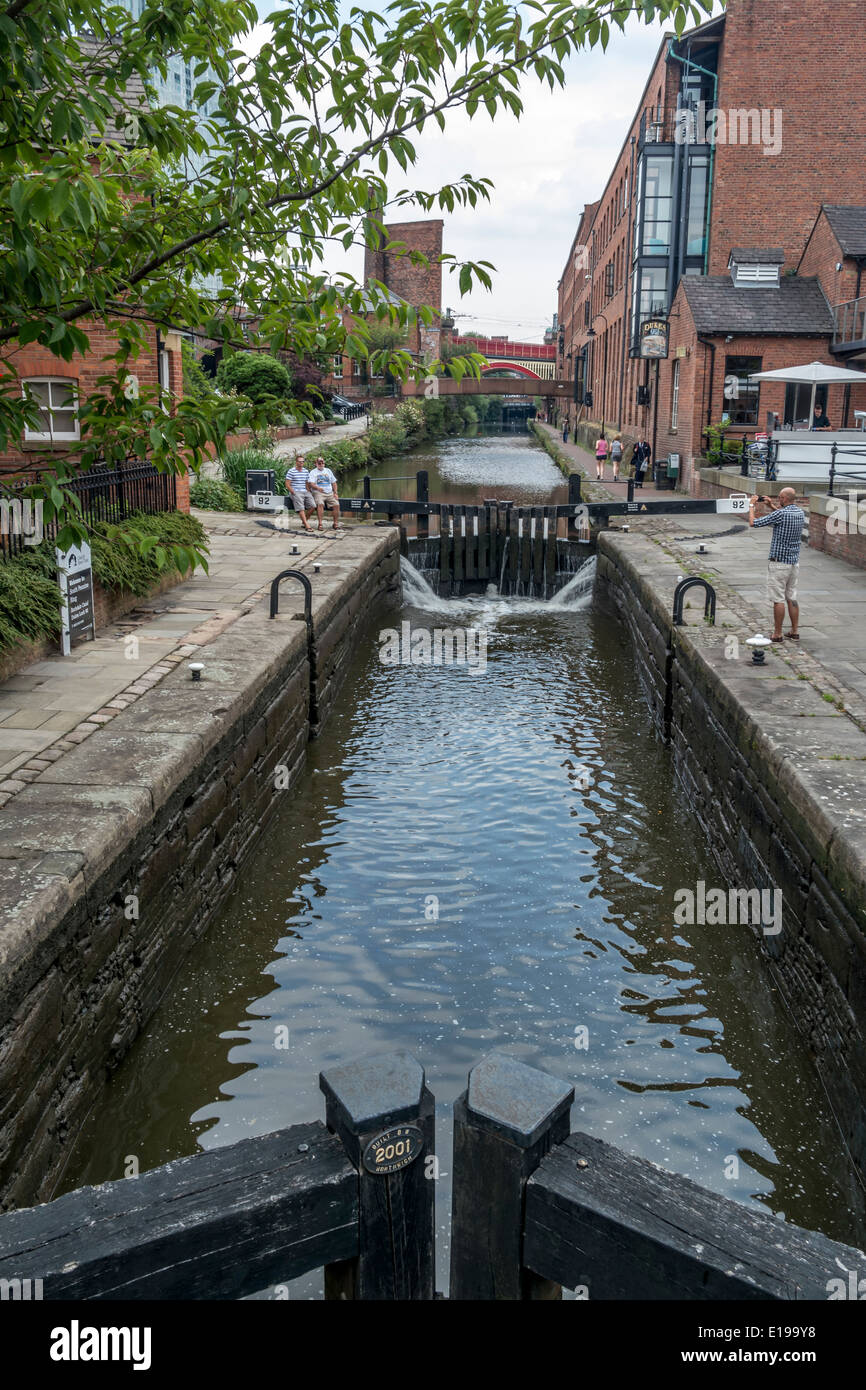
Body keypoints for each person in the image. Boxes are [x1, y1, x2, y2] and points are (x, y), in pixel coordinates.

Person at [749, 487, 806, 642]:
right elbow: (780, 516)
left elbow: (753, 523)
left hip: (779, 563)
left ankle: (777, 633)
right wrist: (770, 506)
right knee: (792, 598)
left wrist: (752, 506)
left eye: (780, 498)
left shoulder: (780, 514)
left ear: (784, 498)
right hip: (794, 563)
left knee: (778, 599)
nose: (778, 500)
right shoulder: (800, 513)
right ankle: (794, 631)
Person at [307, 455, 341, 532]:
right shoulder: (313, 472)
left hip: (329, 492)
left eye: (322, 462)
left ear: (324, 463)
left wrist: (335, 493)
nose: (321, 464)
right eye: (319, 463)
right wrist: (318, 488)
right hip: (318, 492)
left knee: (336, 504)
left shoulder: (328, 471)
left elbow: (334, 483)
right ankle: (320, 524)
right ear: (316, 464)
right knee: (320, 504)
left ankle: (335, 523)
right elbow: (311, 484)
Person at [286, 454, 315, 532]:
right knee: (301, 508)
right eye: (299, 462)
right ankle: (306, 525)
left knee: (313, 506)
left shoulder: (306, 471)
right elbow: (287, 484)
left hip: (305, 491)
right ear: (296, 462)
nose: (301, 463)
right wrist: (293, 492)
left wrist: (309, 491)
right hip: (296, 491)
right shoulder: (291, 471)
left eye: (302, 462)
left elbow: (306, 483)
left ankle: (304, 521)